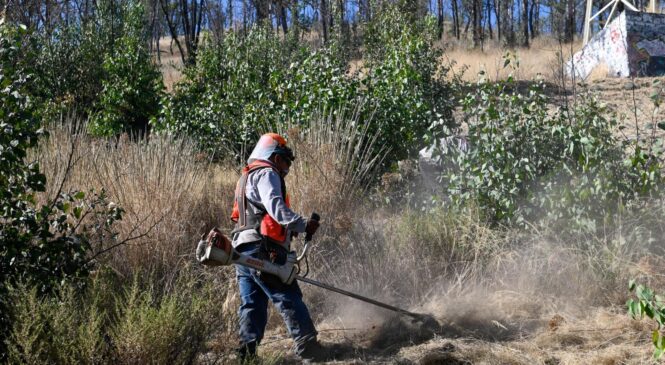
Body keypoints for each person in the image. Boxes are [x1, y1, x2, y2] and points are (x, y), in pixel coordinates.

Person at [230, 133, 327, 362]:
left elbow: (253, 214)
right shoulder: (267, 173)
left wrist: (286, 230)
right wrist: (303, 224)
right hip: (264, 248)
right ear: (274, 157)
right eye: (285, 160)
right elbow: (275, 206)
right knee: (287, 294)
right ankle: (309, 348)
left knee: (252, 303)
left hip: (243, 249)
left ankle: (247, 355)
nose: (287, 167)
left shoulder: (246, 177)